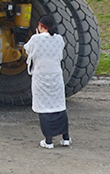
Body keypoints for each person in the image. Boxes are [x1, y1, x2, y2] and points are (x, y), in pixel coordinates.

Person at [24, 14, 71, 149]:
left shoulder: (35, 39)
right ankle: (65, 137)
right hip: (56, 76)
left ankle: (49, 140)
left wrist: (36, 34)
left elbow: (27, 49)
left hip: (41, 77)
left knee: (44, 108)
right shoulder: (59, 39)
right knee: (59, 106)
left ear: (40, 26)